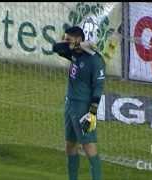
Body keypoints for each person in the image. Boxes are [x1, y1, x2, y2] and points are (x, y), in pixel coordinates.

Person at [52, 26, 105, 180]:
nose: (65, 41)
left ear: (78, 39)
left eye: (68, 39)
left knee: (89, 147)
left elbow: (98, 88)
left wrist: (92, 113)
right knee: (70, 145)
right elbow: (56, 47)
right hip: (69, 105)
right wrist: (76, 45)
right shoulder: (75, 53)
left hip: (83, 108)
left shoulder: (95, 60)